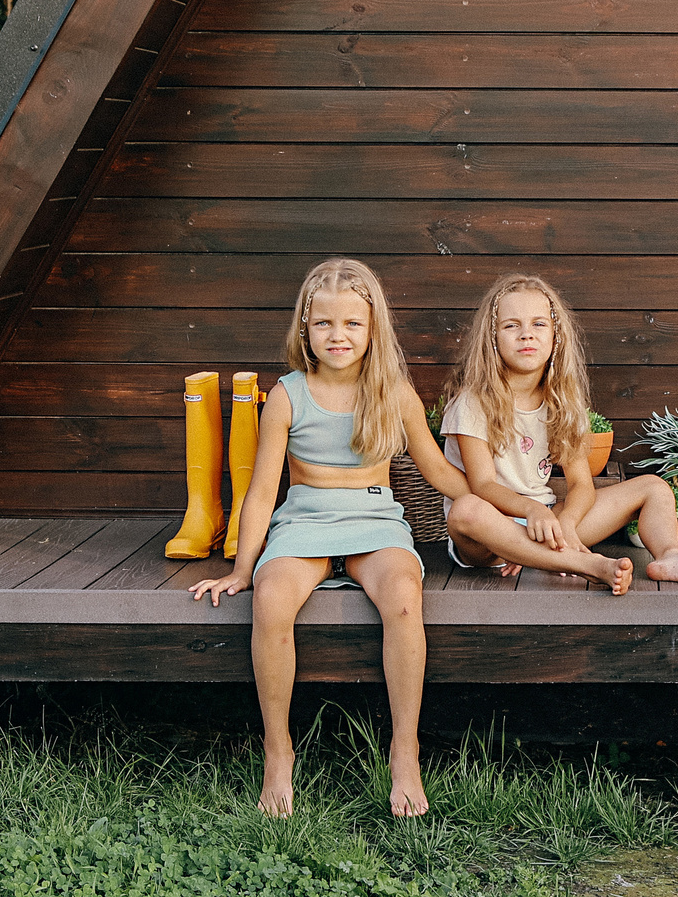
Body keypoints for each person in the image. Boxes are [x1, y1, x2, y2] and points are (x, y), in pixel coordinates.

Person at [188, 258, 469, 819]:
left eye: (353, 325)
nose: (338, 336)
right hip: (304, 525)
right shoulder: (288, 396)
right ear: (304, 329)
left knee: (405, 598)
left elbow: (443, 475)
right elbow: (264, 493)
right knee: (270, 600)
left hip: (376, 523)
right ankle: (278, 752)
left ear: (373, 330)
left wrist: (509, 515)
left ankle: (405, 752)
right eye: (324, 325)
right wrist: (244, 570)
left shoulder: (394, 393)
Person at [438, 273, 678, 591]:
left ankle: (671, 556)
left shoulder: (562, 401)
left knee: (654, 488)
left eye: (539, 324)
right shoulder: (472, 402)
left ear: (556, 336)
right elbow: (482, 485)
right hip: (494, 533)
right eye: (511, 325)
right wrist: (531, 510)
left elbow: (581, 485)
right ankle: (583, 564)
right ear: (492, 337)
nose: (526, 336)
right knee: (465, 510)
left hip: (549, 522)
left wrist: (565, 523)